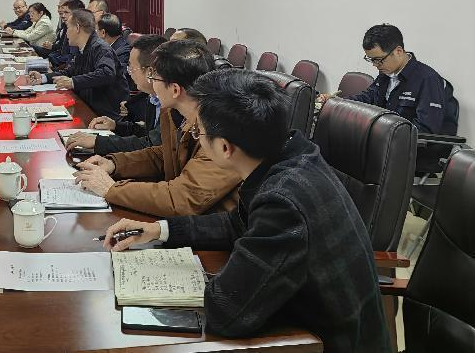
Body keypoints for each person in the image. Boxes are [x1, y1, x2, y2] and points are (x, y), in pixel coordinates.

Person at [102, 69, 391, 353]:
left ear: (225, 147)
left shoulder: (283, 201)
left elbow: (226, 313)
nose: (196, 137)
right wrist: (160, 230)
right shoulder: (290, 158)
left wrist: (190, 283)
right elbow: (239, 223)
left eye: (199, 131)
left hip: (321, 343)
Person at [73, 40, 241, 217]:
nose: (151, 82)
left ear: (175, 90)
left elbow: (182, 198)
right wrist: (114, 164)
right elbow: (163, 155)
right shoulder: (174, 112)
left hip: (213, 227)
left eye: (154, 77)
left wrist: (112, 189)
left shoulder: (220, 130)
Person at [318, 23, 449, 134]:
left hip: (405, 147)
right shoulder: (386, 73)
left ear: (398, 51)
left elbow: (425, 130)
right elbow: (368, 98)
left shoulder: (427, 79)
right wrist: (337, 102)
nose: (375, 65)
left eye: (379, 60)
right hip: (382, 139)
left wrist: (382, 134)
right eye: (371, 60)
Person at [64, 34, 167, 155]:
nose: (129, 74)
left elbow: (151, 144)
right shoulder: (153, 97)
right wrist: (115, 126)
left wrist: (99, 142)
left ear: (150, 71)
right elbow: (148, 133)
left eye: (131, 68)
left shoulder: (170, 101)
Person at [27, 9, 128, 118]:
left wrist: (73, 82)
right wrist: (43, 78)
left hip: (104, 114)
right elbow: (70, 72)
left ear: (77, 28)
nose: (66, 33)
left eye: (68, 27)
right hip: (87, 105)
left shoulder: (101, 48)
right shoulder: (83, 48)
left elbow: (106, 73)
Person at [46, 0, 84, 70]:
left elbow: (72, 59)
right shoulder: (66, 26)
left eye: (66, 12)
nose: (63, 15)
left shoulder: (79, 32)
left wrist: (54, 69)